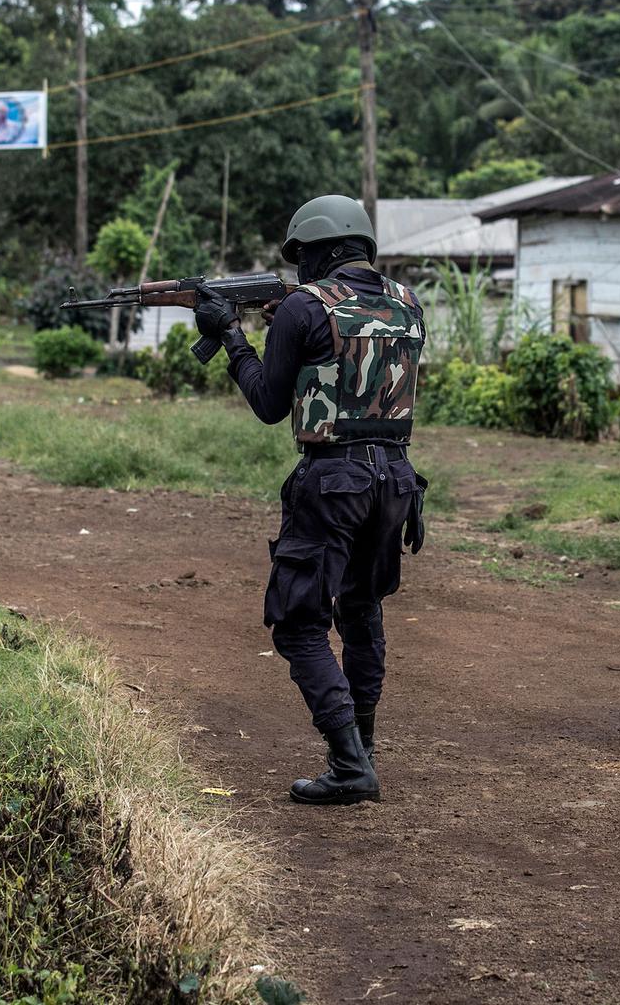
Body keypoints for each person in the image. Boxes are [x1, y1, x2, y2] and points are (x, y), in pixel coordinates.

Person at [193, 194, 426, 806]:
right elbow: (352, 361)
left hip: (332, 482)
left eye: (303, 260)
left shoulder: (302, 307)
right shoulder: (408, 305)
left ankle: (350, 766)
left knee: (298, 624)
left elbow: (271, 404)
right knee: (362, 611)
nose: (298, 273)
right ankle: (362, 751)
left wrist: (230, 337)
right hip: (396, 481)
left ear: (320, 250)